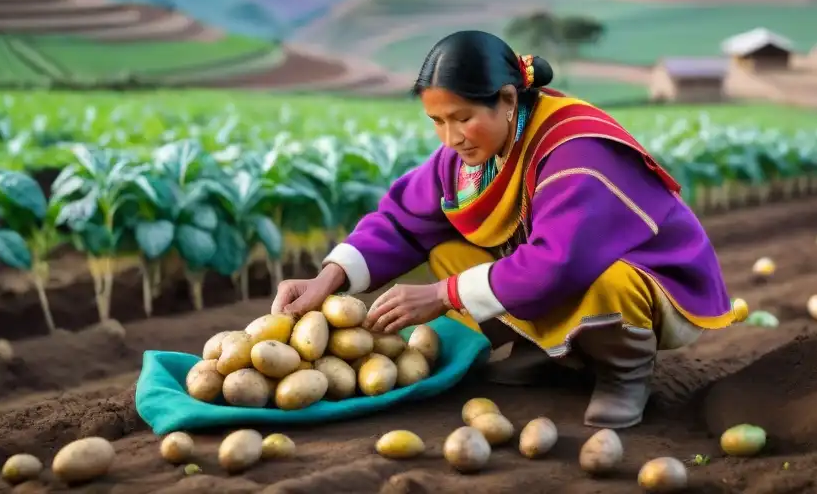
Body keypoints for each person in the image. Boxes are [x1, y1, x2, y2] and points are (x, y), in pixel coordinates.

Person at [272, 30, 737, 429]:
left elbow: (559, 264)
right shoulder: (469, 155)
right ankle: (550, 352)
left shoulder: (576, 148)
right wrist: (328, 278)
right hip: (555, 269)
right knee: (448, 252)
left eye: (462, 118)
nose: (451, 138)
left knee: (604, 281)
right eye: (437, 121)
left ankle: (624, 375)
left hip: (649, 277)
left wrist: (441, 296)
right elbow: (401, 221)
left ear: (509, 99)